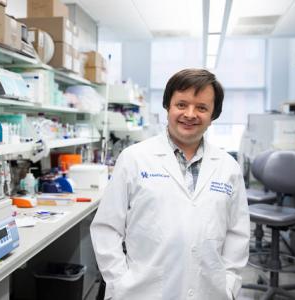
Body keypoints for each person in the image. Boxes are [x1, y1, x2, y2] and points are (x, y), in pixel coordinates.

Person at [91, 68, 250, 300]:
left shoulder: (228, 167)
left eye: (202, 107)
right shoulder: (134, 158)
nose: (190, 114)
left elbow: (238, 233)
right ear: (168, 106)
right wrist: (120, 283)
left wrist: (228, 284)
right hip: (143, 292)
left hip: (209, 291)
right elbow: (107, 228)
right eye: (181, 104)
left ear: (213, 114)